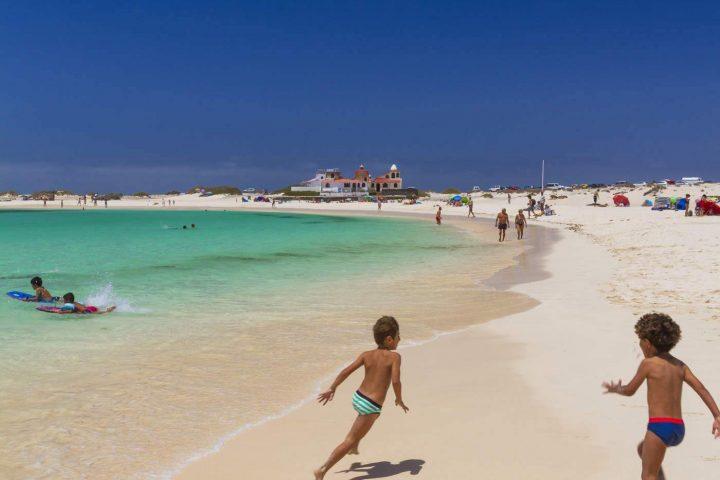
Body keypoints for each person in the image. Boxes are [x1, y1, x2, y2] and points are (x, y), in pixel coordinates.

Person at [603, 313, 720, 480]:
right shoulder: (680, 366)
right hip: (678, 428)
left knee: (647, 475)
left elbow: (630, 390)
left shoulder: (648, 364)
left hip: (659, 427)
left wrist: (617, 389)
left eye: (640, 341)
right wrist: (717, 415)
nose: (640, 345)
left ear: (648, 344)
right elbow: (701, 389)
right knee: (643, 450)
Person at [314, 316, 409, 480]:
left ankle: (355, 445)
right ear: (389, 339)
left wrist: (332, 388)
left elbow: (346, 371)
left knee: (370, 418)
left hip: (358, 397)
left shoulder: (366, 354)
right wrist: (399, 399)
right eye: (398, 336)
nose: (400, 339)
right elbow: (395, 381)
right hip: (370, 405)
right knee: (350, 439)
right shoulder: (394, 357)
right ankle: (322, 469)